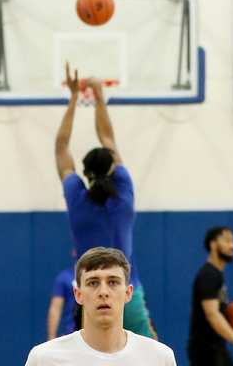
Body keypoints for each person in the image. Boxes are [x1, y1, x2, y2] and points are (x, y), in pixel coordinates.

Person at [55, 66, 157, 339]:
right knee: (151, 353)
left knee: (88, 355)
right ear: (112, 168)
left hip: (89, 297)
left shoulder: (76, 198)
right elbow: (107, 138)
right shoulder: (123, 196)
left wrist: (74, 97)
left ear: (86, 173)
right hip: (125, 294)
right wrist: (98, 94)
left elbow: (61, 147)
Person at [26, 247, 176, 366]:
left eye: (113, 282)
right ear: (78, 294)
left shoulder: (159, 358)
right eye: (93, 283)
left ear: (128, 293)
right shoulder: (45, 359)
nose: (103, 292)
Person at [187, 226, 233, 366]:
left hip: (215, 347)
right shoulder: (208, 275)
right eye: (227, 241)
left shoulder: (216, 274)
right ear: (213, 245)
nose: (232, 246)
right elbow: (212, 313)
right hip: (206, 351)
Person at [48, 263, 81, 339]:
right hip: (71, 333)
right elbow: (56, 308)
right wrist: (51, 338)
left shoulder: (101, 277)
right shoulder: (65, 277)